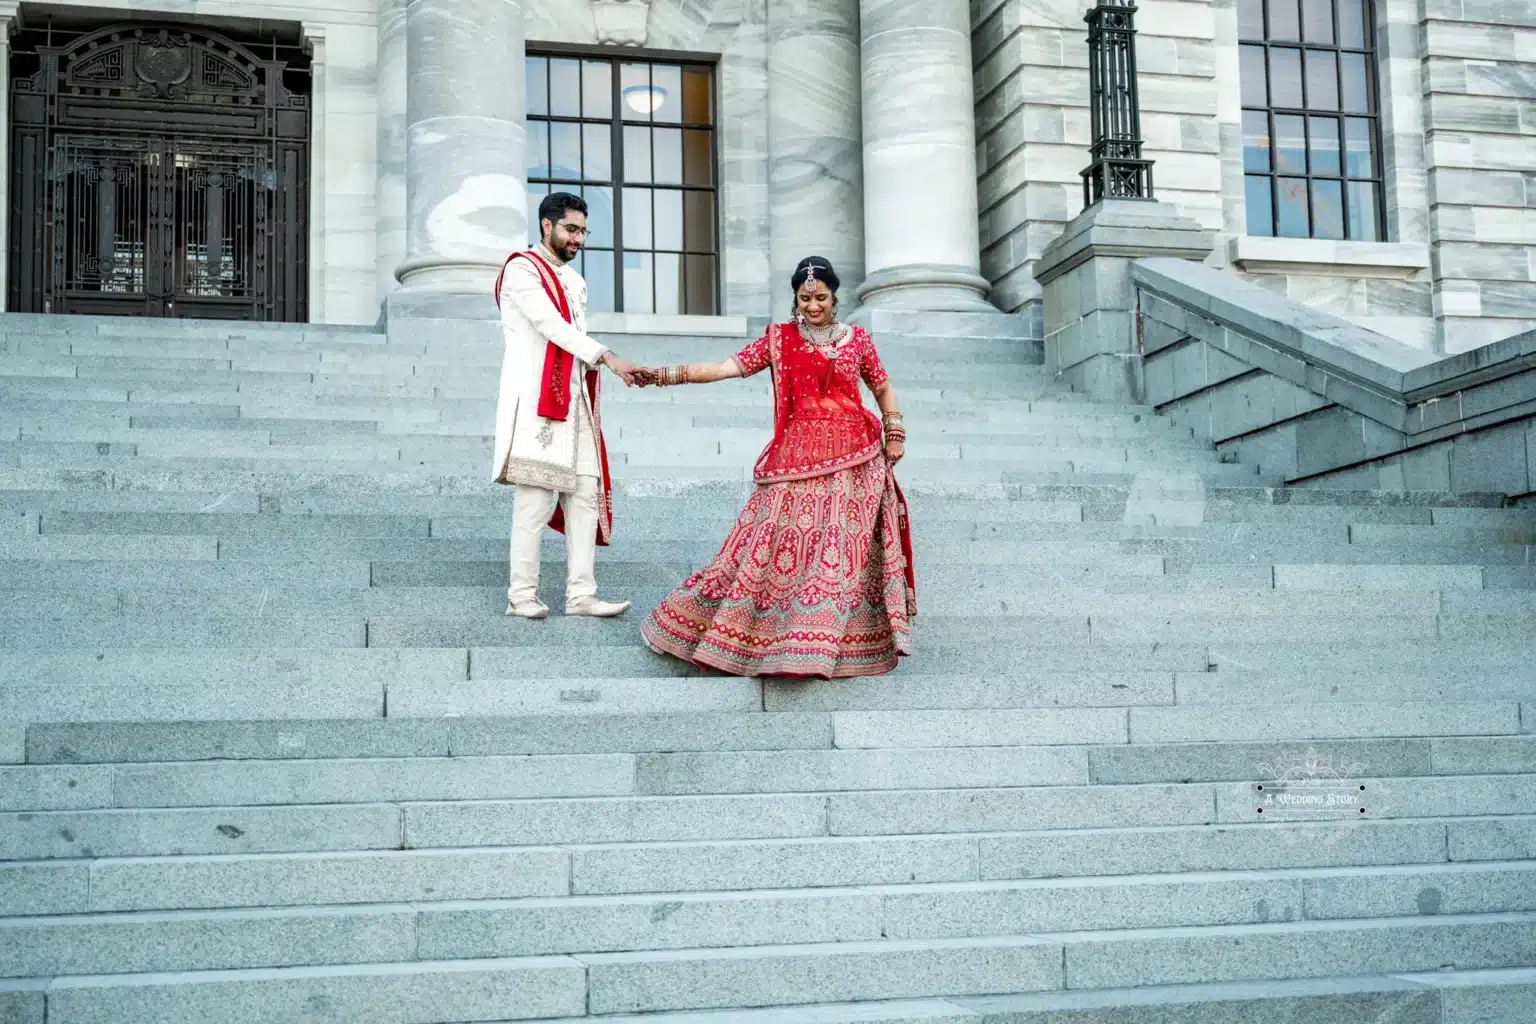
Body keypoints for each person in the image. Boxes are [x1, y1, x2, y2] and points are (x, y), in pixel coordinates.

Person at [634, 256, 916, 678]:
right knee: (768, 544)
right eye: (805, 298)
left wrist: (894, 430)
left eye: (821, 297)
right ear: (795, 298)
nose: (813, 305)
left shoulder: (858, 339)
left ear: (835, 296)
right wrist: (664, 375)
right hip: (795, 455)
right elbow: (724, 368)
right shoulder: (777, 338)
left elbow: (882, 386)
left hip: (855, 458)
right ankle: (763, 636)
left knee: (838, 551)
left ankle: (824, 641)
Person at [493, 191, 643, 619]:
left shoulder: (576, 282)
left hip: (576, 402)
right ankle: (521, 596)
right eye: (571, 229)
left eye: (583, 231)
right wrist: (607, 356)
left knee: (585, 496)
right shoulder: (521, 270)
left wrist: (595, 367)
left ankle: (581, 596)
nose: (578, 239)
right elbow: (549, 325)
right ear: (547, 226)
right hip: (539, 404)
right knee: (536, 499)